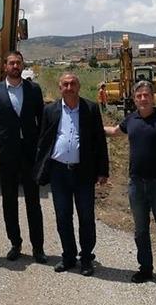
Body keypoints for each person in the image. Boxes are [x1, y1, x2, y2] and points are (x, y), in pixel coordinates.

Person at [105, 81, 156, 289]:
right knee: (140, 230)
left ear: (153, 97)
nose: (143, 99)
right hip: (136, 184)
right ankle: (145, 269)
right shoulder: (131, 119)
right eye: (139, 96)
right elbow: (113, 131)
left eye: (146, 95)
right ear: (134, 99)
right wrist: (89, 126)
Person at [34, 72, 109, 277]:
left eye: (73, 83)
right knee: (63, 216)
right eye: (65, 84)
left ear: (79, 86)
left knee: (86, 217)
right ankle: (68, 256)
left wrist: (103, 170)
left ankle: (86, 258)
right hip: (59, 172)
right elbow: (44, 140)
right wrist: (41, 168)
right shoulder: (50, 110)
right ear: (60, 88)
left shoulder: (91, 108)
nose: (69, 87)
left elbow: (99, 141)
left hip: (83, 172)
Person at [0, 51, 47, 263]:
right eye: (11, 63)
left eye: (18, 63)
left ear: (22, 66)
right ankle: (15, 243)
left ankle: (38, 248)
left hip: (30, 155)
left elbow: (42, 121)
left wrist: (42, 151)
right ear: (4, 66)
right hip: (7, 155)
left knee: (33, 202)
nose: (15, 66)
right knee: (9, 202)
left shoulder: (33, 90)